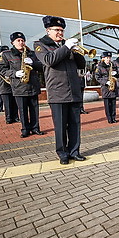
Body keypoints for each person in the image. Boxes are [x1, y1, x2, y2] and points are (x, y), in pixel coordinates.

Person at [34, 15, 86, 164]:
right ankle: (62, 153)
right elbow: (49, 61)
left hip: (74, 91)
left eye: (62, 30)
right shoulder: (40, 45)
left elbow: (81, 65)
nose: (60, 33)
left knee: (75, 125)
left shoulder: (65, 45)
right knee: (61, 126)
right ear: (48, 30)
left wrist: (76, 52)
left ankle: (74, 151)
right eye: (57, 30)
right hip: (58, 92)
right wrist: (66, 47)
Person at [0, 32, 44, 138]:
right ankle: (25, 129)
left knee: (34, 109)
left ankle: (35, 128)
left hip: (32, 85)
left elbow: (41, 67)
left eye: (22, 40)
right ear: (12, 42)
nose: (21, 42)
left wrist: (33, 63)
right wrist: (14, 74)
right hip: (19, 86)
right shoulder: (7, 54)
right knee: (22, 110)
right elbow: (0, 69)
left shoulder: (31, 53)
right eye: (18, 40)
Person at [0, 45, 19, 124]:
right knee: (7, 103)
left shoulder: (10, 59)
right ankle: (9, 118)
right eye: (3, 52)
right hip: (3, 84)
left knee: (14, 102)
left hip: (12, 83)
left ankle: (16, 117)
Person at [95, 51, 119, 123]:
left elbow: (117, 75)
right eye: (107, 58)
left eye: (109, 58)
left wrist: (116, 73)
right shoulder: (99, 67)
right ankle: (109, 118)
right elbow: (97, 77)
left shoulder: (112, 65)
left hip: (113, 87)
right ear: (103, 58)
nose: (109, 59)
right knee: (107, 105)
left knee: (113, 104)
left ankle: (113, 117)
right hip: (105, 88)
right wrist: (105, 82)